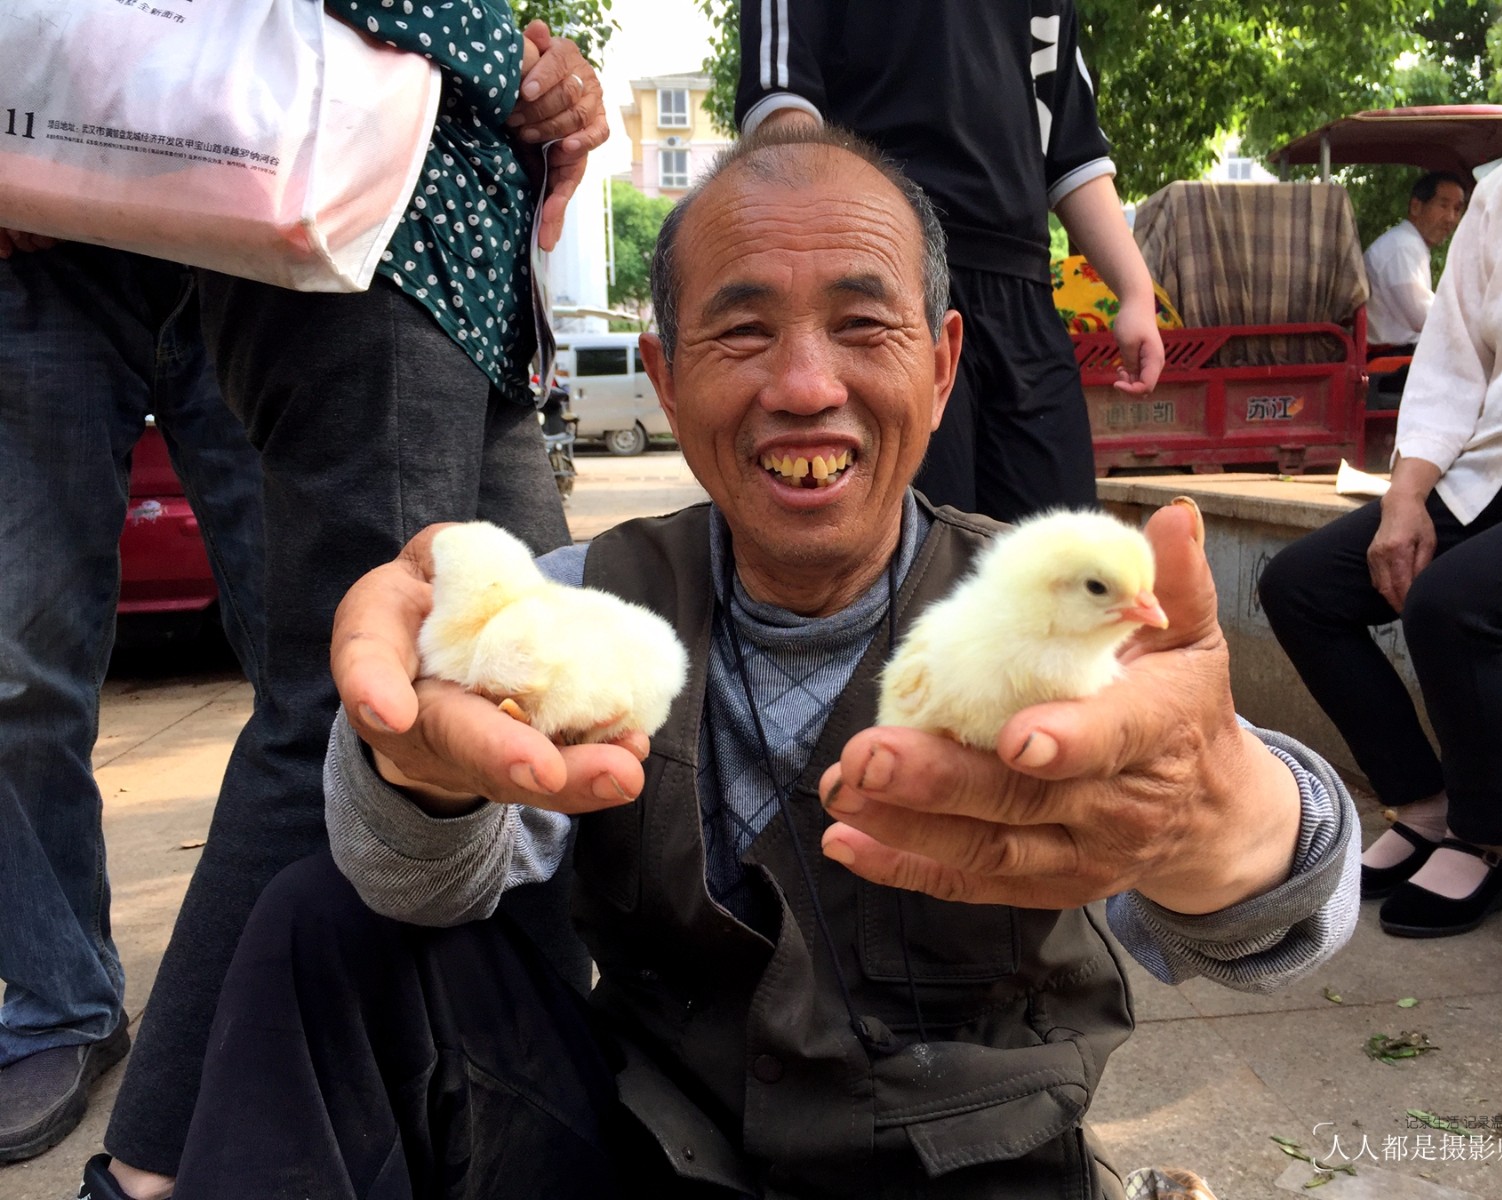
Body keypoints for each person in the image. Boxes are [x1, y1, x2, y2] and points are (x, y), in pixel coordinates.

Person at [165, 125, 1360, 1199]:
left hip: (976, 1174)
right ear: (666, 377)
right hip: (645, 1155)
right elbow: (427, 884)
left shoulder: (1063, 605)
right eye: (742, 331)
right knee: (319, 920)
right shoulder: (579, 604)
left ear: (941, 363)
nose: (803, 386)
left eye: (862, 324)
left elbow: (1270, 912)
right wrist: (415, 776)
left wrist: (1224, 818)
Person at [80, 8, 608, 1199]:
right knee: (357, 701)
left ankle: (532, 1113)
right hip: (361, 238)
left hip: (463, 252)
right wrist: (496, 59)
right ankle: (147, 1172)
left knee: (536, 697)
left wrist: (540, 68)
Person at [1258, 0, 1502, 940]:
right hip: (1501, 461)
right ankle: (1425, 804)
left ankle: (1490, 842)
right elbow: (1452, 360)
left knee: (1450, 603)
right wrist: (1406, 492)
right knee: (1300, 586)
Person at [0, 238, 265, 1163]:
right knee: (14, 671)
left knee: (322, 657)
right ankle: (58, 998)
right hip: (36, 261)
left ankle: (328, 972)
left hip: (249, 251)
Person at [734, 0, 1163, 522]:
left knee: (1061, 548)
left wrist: (1135, 290)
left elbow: (1072, 154)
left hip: (1023, 298)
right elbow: (784, 110)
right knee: (917, 550)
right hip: (888, 286)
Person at [1361, 171, 1467, 352]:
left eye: (1457, 209)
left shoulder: (1408, 243)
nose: (1450, 218)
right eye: (1443, 206)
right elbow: (1424, 317)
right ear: (1416, 206)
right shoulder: (1402, 246)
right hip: (1393, 358)